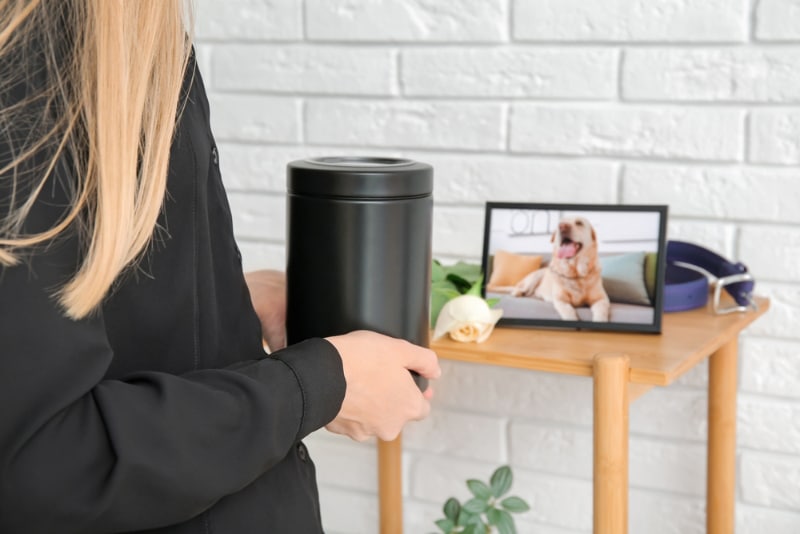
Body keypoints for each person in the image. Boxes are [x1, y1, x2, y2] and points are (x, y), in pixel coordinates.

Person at [0, 1, 441, 532]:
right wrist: (320, 385)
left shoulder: (134, 31)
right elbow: (38, 467)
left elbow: (71, 309)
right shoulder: (31, 59)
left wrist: (224, 302)